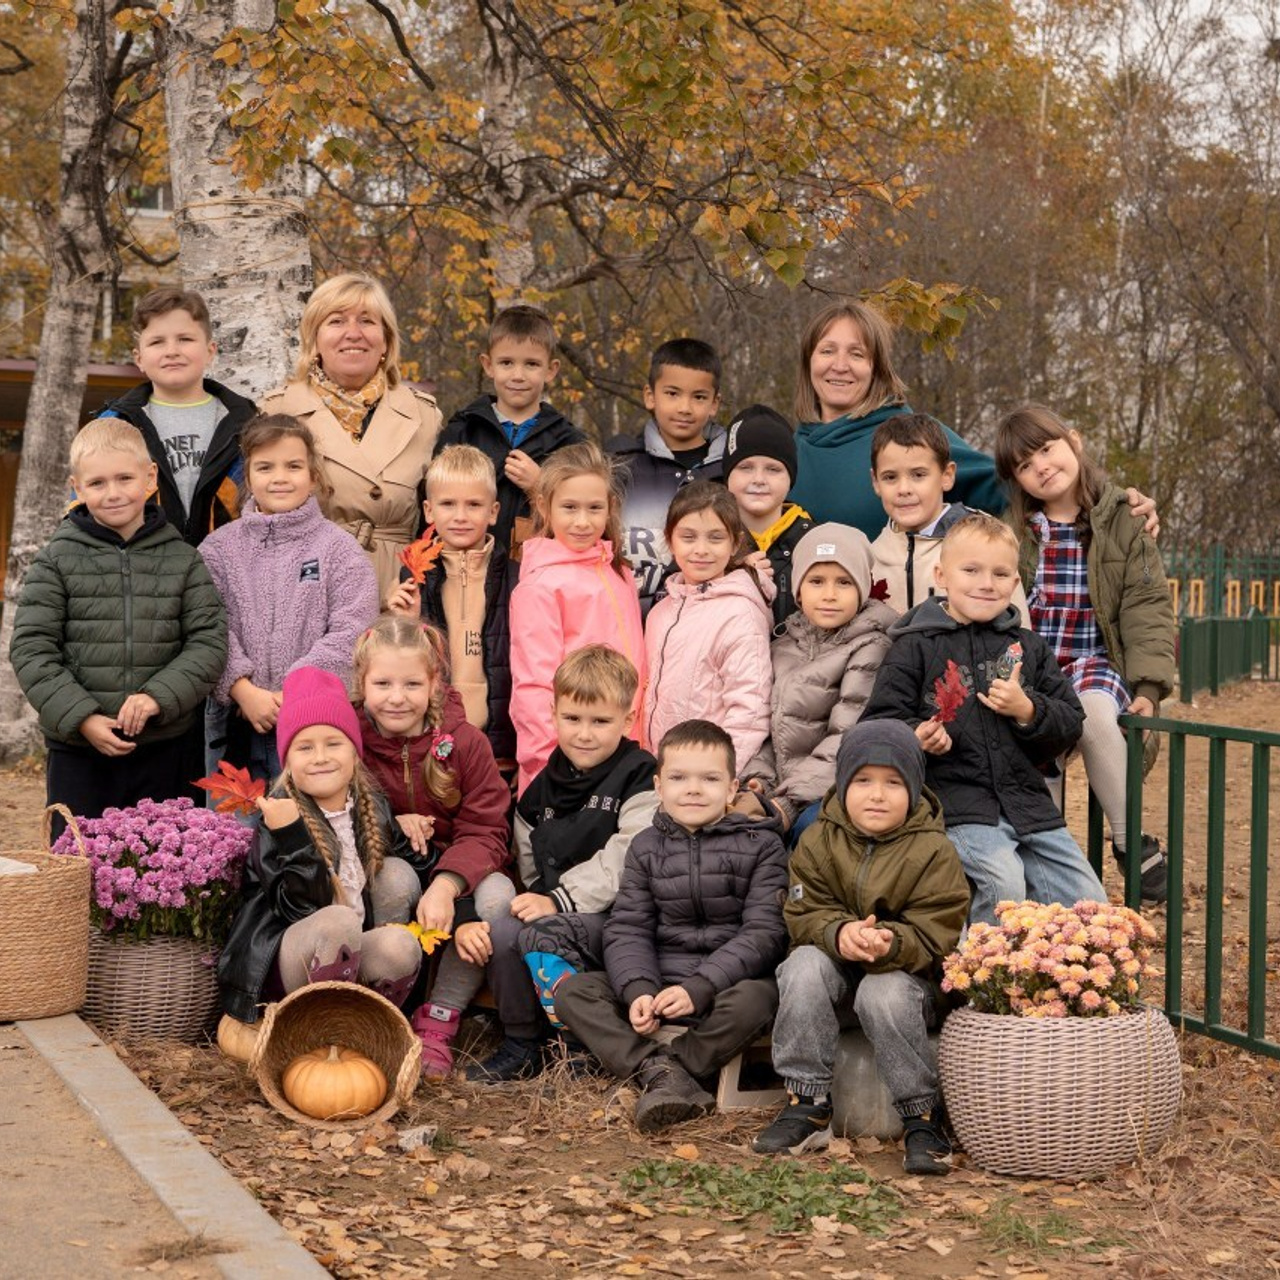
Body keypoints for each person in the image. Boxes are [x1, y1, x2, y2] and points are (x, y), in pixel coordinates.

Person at [863, 513, 1106, 926]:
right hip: (958, 804)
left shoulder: (1027, 647)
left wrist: (1028, 711)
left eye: (1000, 573)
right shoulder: (914, 647)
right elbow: (879, 723)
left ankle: (1062, 986)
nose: (986, 583)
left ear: (1014, 584)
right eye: (971, 570)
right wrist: (916, 736)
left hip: (1029, 806)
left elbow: (1070, 720)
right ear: (942, 574)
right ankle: (973, 986)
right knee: (1003, 887)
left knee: (1089, 903)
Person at [752, 720, 969, 1175]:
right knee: (803, 965)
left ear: (913, 789)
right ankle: (807, 1103)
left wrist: (890, 942)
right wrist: (838, 934)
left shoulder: (933, 849)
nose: (877, 794)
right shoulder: (818, 840)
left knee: (882, 991)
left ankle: (922, 1117)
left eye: (893, 783)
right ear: (843, 784)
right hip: (837, 978)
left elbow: (939, 932)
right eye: (864, 781)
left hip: (909, 986)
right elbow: (802, 911)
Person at [555, 720, 788, 1132]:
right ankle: (660, 1072)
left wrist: (699, 987)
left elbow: (763, 934)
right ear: (659, 787)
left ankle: (669, 1070)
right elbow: (628, 927)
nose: (693, 789)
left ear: (733, 788)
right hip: (660, 978)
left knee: (759, 998)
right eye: (679, 778)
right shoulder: (646, 847)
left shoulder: (762, 845)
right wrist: (639, 990)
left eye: (710, 778)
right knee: (575, 991)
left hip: (725, 986)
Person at [995, 404, 1175, 902]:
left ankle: (1127, 837)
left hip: (1093, 662)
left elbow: (1147, 607)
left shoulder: (1122, 521)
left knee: (1096, 713)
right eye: (1026, 465)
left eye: (1047, 449)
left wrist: (1149, 688)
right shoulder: (1015, 532)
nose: (1042, 467)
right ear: (1017, 480)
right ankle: (1046, 878)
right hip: (1035, 670)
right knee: (1032, 748)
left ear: (1073, 441)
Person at [787, 301, 1160, 540]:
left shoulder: (907, 437)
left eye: (857, 354)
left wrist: (1114, 507)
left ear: (877, 368)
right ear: (808, 361)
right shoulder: (786, 453)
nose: (840, 365)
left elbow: (1025, 483)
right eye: (827, 351)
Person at [10, 420, 226, 826]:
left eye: (124, 478)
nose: (112, 493)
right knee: (79, 865)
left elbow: (208, 642)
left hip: (166, 746)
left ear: (149, 478)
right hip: (80, 752)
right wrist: (83, 717)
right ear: (77, 487)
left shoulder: (183, 559)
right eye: (97, 483)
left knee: (162, 865)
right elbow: (31, 648)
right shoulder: (57, 558)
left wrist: (157, 697)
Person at [466, 646, 659, 1084]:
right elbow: (527, 845)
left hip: (618, 915)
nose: (584, 734)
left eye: (600, 721)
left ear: (628, 720)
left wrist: (558, 899)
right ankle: (522, 1042)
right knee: (503, 928)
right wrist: (536, 893)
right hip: (555, 907)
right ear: (553, 715)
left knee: (542, 932)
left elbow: (630, 851)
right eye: (572, 719)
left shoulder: (640, 774)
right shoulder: (546, 781)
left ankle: (579, 1048)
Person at [217, 667, 432, 1023]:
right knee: (338, 920)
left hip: (347, 958)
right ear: (288, 762)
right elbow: (298, 909)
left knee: (400, 943)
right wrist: (292, 836)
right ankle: (317, 1034)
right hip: (284, 962)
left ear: (355, 753)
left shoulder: (371, 805)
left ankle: (369, 1029)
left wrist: (438, 864)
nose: (320, 757)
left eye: (334, 743)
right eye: (305, 747)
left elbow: (420, 863)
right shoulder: (279, 816)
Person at [353, 617, 514, 1078]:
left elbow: (487, 827)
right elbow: (342, 809)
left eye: (411, 683)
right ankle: (385, 1002)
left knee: (498, 899)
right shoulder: (353, 741)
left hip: (463, 865)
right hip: (393, 861)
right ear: (362, 684)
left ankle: (440, 1018)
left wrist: (446, 884)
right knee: (393, 877)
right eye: (382, 683)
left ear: (434, 684)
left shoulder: (465, 741)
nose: (397, 696)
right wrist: (390, 820)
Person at [198, 414, 379, 782]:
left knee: (304, 831)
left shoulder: (338, 549)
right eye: (265, 467)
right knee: (235, 833)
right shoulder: (218, 550)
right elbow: (205, 625)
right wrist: (242, 689)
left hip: (315, 725)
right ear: (247, 477)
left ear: (313, 476)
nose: (280, 477)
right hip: (234, 718)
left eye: (293, 466)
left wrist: (298, 689)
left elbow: (353, 626)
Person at [259, 273, 443, 598]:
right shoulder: (276, 412)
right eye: (336, 321)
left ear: (386, 339)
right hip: (303, 590)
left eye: (367, 321)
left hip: (396, 594)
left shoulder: (425, 416)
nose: (353, 333)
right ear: (314, 339)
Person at [739, 524, 895, 847]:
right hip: (782, 790)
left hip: (829, 791)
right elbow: (769, 728)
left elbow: (845, 736)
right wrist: (759, 781)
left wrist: (788, 802)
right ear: (798, 590)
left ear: (862, 589)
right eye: (816, 581)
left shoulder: (871, 646)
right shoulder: (784, 643)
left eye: (843, 582)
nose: (829, 595)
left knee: (811, 832)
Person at [509, 441, 646, 793]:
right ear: (544, 506)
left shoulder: (619, 572)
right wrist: (547, 770)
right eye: (569, 508)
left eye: (594, 508)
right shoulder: (540, 585)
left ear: (610, 508)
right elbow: (534, 687)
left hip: (625, 753)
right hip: (566, 771)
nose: (583, 522)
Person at [386, 444, 519, 773]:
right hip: (433, 742)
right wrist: (403, 623)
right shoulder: (415, 574)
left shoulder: (516, 576)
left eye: (474, 505)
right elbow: (401, 662)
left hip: (498, 743)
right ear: (429, 511)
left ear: (493, 511)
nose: (460, 516)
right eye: (448, 504)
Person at [99, 287, 257, 546]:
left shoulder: (248, 423)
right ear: (139, 358)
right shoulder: (114, 424)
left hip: (226, 572)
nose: (172, 350)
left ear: (210, 350)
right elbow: (83, 504)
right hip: (141, 571)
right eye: (157, 342)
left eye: (185, 339)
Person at [643, 482, 773, 769]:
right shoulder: (660, 613)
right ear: (670, 539)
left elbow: (749, 712)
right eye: (688, 537)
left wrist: (716, 778)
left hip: (703, 779)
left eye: (715, 538)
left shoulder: (740, 614)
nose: (701, 550)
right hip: (656, 772)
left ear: (735, 543)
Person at [437, 304, 585, 557]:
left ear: (551, 370)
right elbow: (433, 506)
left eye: (531, 364)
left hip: (542, 574)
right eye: (506, 363)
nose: (518, 375)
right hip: (469, 570)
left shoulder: (570, 443)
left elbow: (587, 514)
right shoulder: (462, 432)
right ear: (488, 365)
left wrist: (541, 485)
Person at [868, 413, 1030, 623]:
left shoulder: (987, 541)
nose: (904, 489)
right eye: (890, 477)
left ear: (946, 475)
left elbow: (1018, 632)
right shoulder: (872, 556)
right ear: (875, 482)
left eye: (918, 475)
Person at [606, 338, 725, 614]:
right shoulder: (619, 464)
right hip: (631, 617)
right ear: (650, 395)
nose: (685, 407)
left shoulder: (728, 469)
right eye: (672, 393)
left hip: (705, 620)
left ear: (714, 403)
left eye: (698, 397)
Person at [722, 404, 812, 624]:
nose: (759, 479)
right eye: (745, 467)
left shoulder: (813, 542)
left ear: (791, 478)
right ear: (727, 476)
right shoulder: (708, 540)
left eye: (773, 469)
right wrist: (728, 574)